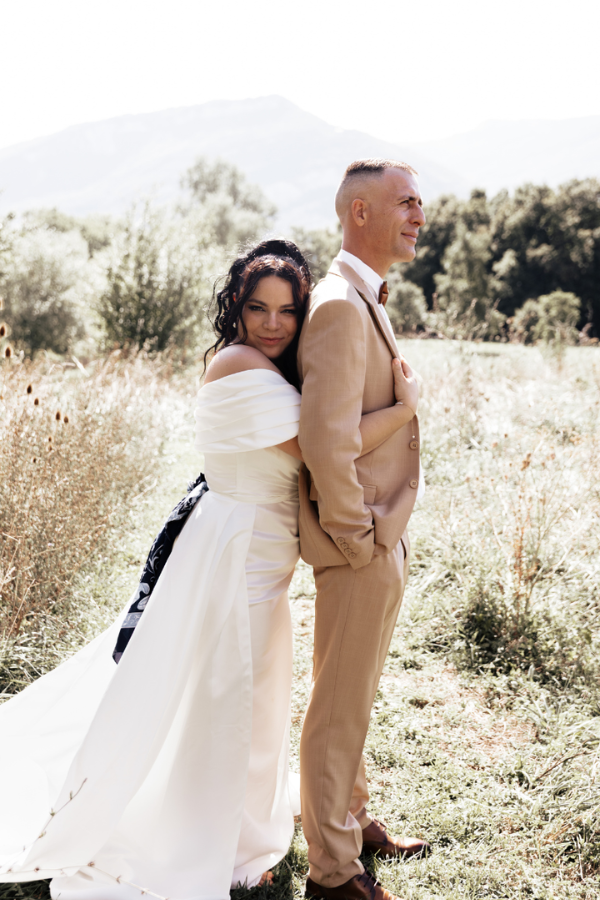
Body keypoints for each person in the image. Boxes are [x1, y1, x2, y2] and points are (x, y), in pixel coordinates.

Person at [0, 238, 419, 900]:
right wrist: (402, 407)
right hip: (236, 556)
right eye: (258, 308)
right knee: (228, 698)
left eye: (288, 310)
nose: (274, 323)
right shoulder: (238, 364)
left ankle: (236, 831)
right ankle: (199, 836)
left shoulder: (269, 366)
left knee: (252, 699)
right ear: (236, 308)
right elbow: (324, 445)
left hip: (259, 552)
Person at [297, 159, 429, 900]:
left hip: (379, 537)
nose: (419, 216)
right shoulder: (339, 305)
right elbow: (325, 441)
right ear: (360, 212)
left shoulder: (361, 296)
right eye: (406, 202)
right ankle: (332, 873)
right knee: (336, 710)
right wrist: (358, 538)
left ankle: (351, 820)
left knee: (356, 695)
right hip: (360, 542)